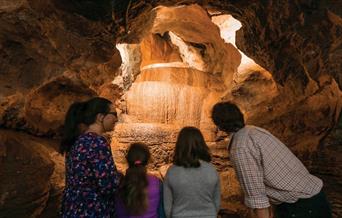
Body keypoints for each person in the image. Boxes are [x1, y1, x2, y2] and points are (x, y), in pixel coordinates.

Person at [211, 101, 332, 218]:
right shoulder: (253, 131)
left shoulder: (240, 147)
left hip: (301, 207)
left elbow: (257, 198)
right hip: (312, 198)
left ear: (219, 125)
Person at [60, 97, 121, 218]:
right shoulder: (97, 142)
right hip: (92, 208)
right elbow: (107, 185)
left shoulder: (78, 140)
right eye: (114, 114)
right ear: (100, 117)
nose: (117, 119)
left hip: (73, 207)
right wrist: (119, 177)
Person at [163, 127, 220, 218]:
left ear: (180, 145)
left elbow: (167, 207)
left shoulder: (172, 171)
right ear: (201, 144)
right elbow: (216, 203)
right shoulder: (211, 170)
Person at [115, 143, 165, 218]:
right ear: (148, 160)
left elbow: (118, 213)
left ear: (127, 159)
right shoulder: (157, 183)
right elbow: (161, 212)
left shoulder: (121, 183)